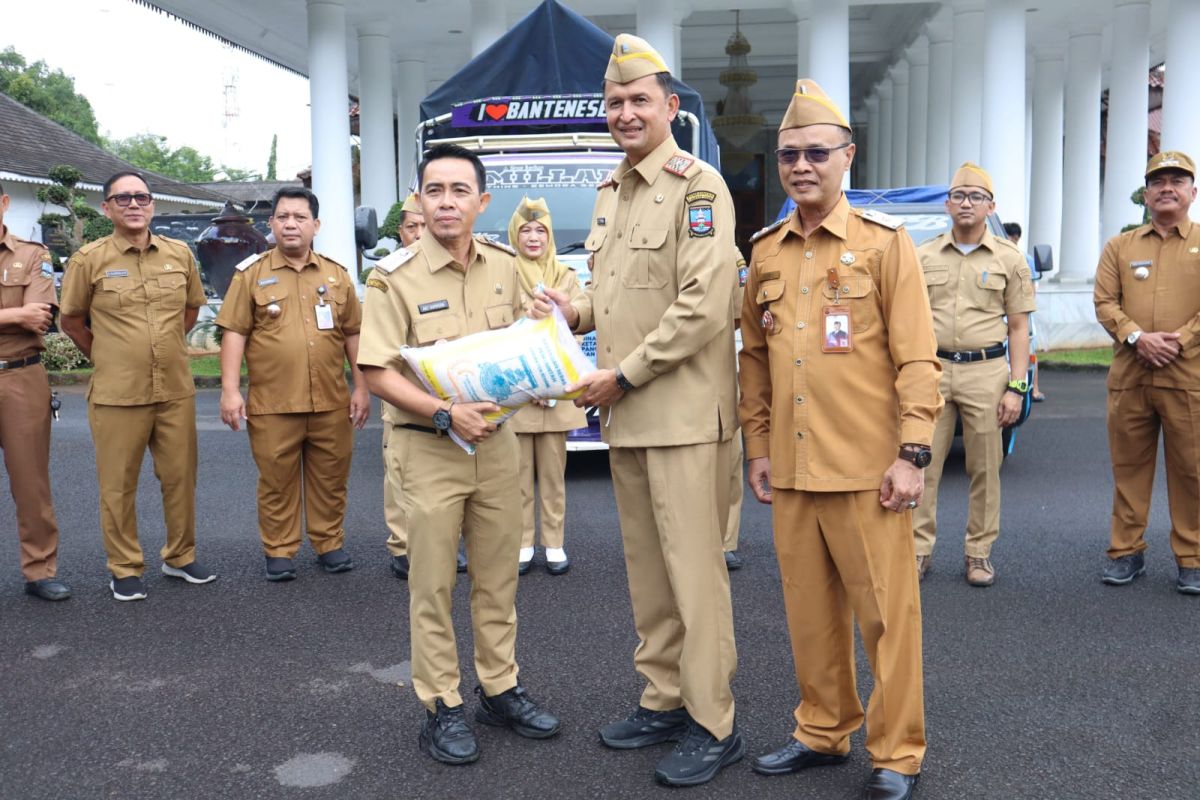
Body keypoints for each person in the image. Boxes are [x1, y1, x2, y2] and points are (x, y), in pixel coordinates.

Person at [533, 33, 741, 787]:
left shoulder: (699, 187)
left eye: (639, 100)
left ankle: (713, 721)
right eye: (615, 102)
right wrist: (574, 309)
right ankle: (663, 697)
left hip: (681, 414)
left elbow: (702, 306)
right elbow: (622, 298)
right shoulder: (610, 192)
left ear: (670, 108)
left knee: (693, 574)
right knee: (648, 573)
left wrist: (624, 373)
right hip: (628, 414)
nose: (626, 112)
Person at [738, 79, 941, 800]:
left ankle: (897, 752)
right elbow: (754, 359)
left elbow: (919, 357)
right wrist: (757, 448)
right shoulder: (765, 253)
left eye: (816, 152)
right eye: (789, 153)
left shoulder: (886, 247)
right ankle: (823, 731)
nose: (801, 165)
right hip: (793, 467)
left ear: (846, 157)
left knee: (887, 619)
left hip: (869, 469)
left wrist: (912, 452)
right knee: (810, 615)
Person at [358, 143, 560, 765]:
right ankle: (441, 705)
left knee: (499, 581)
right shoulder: (392, 277)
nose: (446, 202)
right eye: (434, 191)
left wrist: (551, 326)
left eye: (459, 191)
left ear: (482, 201)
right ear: (418, 200)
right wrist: (445, 412)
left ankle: (499, 688)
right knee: (433, 584)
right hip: (429, 450)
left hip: (498, 448)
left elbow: (536, 335)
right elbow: (376, 371)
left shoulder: (507, 267)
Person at [60, 171, 216, 601]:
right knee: (118, 484)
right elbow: (71, 322)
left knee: (180, 477)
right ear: (106, 207)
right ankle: (124, 567)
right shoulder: (88, 260)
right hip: (117, 392)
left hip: (174, 389)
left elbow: (189, 312)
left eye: (141, 197)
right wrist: (109, 355)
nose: (133, 204)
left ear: (152, 205)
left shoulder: (179, 254)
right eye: (122, 198)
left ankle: (180, 556)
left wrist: (164, 349)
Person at [215, 187, 369, 581]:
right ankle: (279, 549)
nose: (291, 224)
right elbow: (234, 332)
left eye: (300, 217)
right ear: (271, 224)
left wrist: (362, 387)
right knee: (276, 480)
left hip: (331, 400)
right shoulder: (251, 274)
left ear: (315, 225)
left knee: (331, 478)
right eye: (282, 217)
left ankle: (328, 543)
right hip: (274, 402)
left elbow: (353, 333)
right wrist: (230, 390)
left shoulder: (336, 274)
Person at [913, 165, 1035, 587]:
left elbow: (1019, 328)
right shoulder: (922, 255)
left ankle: (979, 553)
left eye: (975, 196)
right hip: (933, 370)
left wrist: (1017, 388)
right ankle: (917, 550)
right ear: (947, 204)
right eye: (959, 195)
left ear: (991, 206)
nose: (966, 203)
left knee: (986, 468)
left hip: (987, 372)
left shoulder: (1009, 258)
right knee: (922, 463)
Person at [1093, 149, 1200, 595]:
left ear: (1192, 192)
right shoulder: (1121, 245)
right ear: (1146, 193)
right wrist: (1138, 337)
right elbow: (1104, 302)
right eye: (1158, 182)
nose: (1167, 188)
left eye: (1177, 180)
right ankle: (1125, 552)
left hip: (1188, 377)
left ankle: (1192, 558)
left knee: (1192, 470)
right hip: (1131, 377)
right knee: (1128, 468)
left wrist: (1180, 340)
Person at [379, 192, 467, 579]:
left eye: (422, 226)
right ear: (401, 232)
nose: (418, 233)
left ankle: (449, 542)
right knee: (399, 472)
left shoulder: (453, 270)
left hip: (453, 393)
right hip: (404, 393)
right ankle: (402, 544)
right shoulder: (390, 275)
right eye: (411, 227)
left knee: (457, 473)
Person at [507, 197, 586, 576]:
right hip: (517, 390)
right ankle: (523, 543)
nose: (534, 237)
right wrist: (528, 381)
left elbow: (575, 326)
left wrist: (548, 382)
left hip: (556, 389)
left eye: (541, 230)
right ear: (514, 235)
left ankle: (554, 542)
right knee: (517, 477)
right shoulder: (503, 273)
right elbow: (501, 333)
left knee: (554, 476)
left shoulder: (566, 276)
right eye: (526, 229)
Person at [0, 183, 70, 601]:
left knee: (31, 482)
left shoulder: (32, 254)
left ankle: (40, 569)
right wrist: (13, 313)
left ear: (4, 203)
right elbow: (22, 314)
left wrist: (25, 316)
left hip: (21, 378)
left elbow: (39, 317)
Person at [1004, 221, 1045, 402]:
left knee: (1029, 351)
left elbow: (1031, 288)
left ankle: (1034, 388)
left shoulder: (1024, 258)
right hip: (1007, 313)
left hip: (1020, 312)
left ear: (1015, 238)